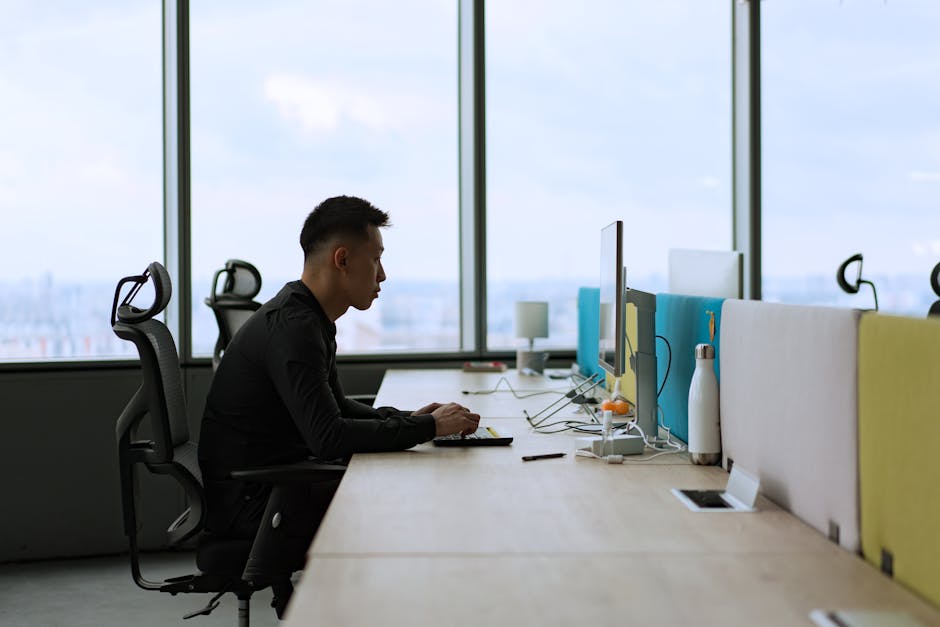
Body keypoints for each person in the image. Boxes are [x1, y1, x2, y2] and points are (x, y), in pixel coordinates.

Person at [197, 195, 480, 576]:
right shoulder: (294, 329)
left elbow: (339, 407)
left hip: (272, 488)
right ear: (342, 259)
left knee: (404, 484)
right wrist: (427, 428)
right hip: (257, 506)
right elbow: (328, 437)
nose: (382, 275)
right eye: (376, 258)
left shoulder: (307, 318)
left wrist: (410, 419)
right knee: (412, 501)